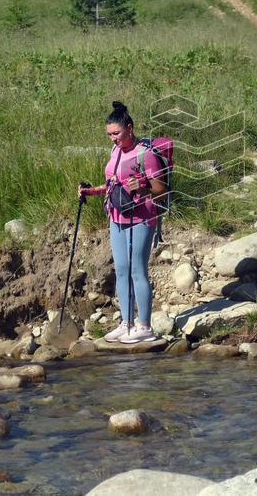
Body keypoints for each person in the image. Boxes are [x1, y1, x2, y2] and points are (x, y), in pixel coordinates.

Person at [78, 102, 166, 344]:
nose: (113, 139)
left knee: (138, 270)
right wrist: (90, 191)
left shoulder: (145, 154)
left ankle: (144, 326)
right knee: (121, 271)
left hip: (141, 217)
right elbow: (112, 184)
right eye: (109, 135)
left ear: (130, 128)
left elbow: (161, 191)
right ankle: (126, 323)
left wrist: (144, 188)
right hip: (116, 218)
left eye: (116, 133)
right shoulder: (115, 151)